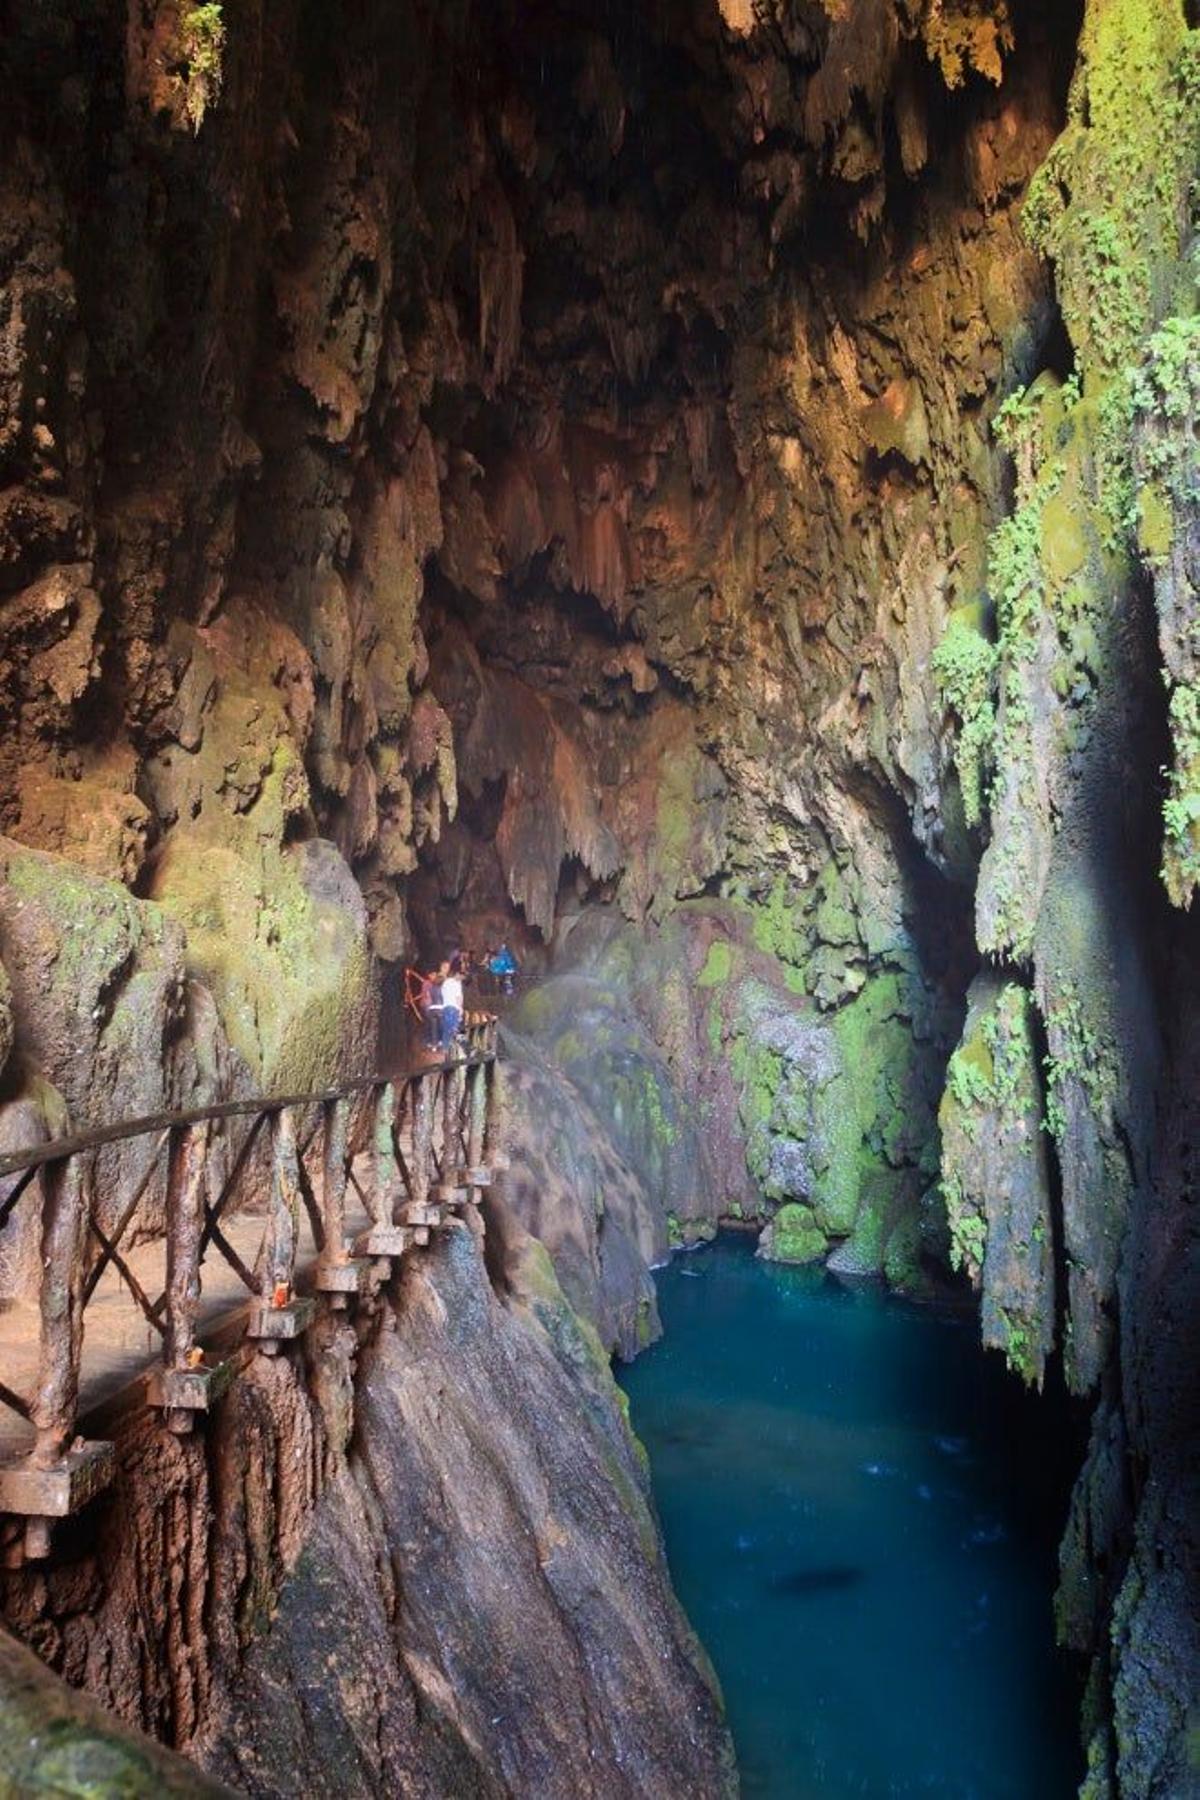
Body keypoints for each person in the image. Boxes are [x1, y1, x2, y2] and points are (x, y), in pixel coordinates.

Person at [438, 959, 464, 1054]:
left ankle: (445, 1051)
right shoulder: (456, 983)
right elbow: (458, 997)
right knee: (454, 1030)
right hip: (454, 1008)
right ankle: (455, 1052)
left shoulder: (444, 984)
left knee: (446, 1031)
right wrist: (460, 1008)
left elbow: (442, 996)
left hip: (445, 1008)